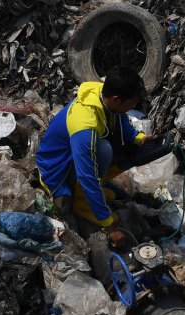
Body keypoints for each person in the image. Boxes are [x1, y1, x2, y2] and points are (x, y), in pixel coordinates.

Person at [36, 66, 172, 248]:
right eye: (131, 103)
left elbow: (119, 117)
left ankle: (93, 196)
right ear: (116, 99)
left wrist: (138, 138)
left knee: (122, 148)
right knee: (104, 150)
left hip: (76, 153)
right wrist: (110, 225)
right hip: (57, 169)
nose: (133, 108)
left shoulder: (103, 95)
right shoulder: (84, 127)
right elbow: (87, 177)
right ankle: (81, 202)